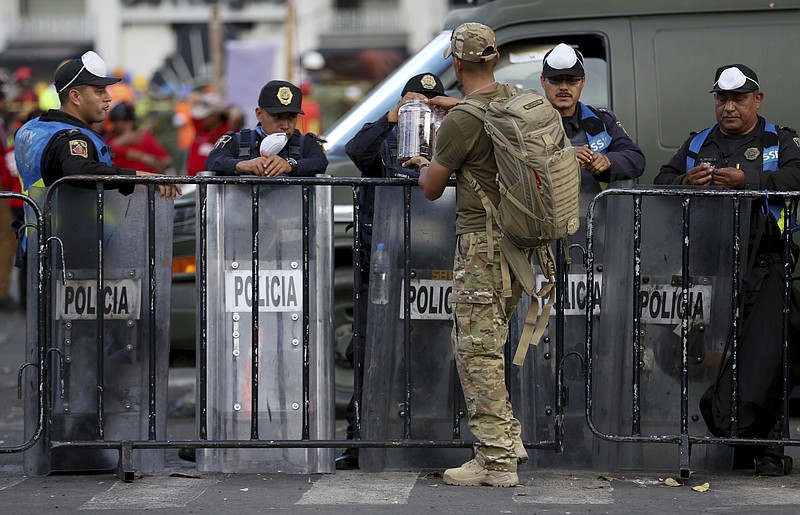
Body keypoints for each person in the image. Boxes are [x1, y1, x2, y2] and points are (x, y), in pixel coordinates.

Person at [655, 64, 800, 476]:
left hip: (764, 267)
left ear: (758, 100)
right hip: (711, 269)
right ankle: (722, 446)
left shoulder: (779, 140)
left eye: (738, 99)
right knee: (710, 360)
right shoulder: (699, 142)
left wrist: (749, 178)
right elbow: (660, 180)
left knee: (767, 358)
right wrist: (686, 181)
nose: (729, 107)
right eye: (722, 99)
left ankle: (768, 450)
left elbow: (798, 173)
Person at [403, 22, 526, 487]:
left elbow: (433, 188)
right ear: (494, 59)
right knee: (492, 345)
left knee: (478, 353)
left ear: (456, 64)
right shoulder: (518, 101)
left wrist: (426, 162)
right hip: (524, 244)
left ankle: (496, 461)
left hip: (482, 247)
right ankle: (507, 441)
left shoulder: (460, 121)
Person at [336, 72, 446, 470]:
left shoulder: (451, 138)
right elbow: (356, 151)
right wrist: (393, 118)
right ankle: (360, 442)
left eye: (433, 103)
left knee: (436, 352)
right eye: (416, 102)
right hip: (383, 261)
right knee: (369, 348)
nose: (424, 110)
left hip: (437, 261)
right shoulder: (383, 134)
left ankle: (433, 437)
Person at [13, 50, 181, 199]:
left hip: (37, 231)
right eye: (99, 91)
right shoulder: (72, 138)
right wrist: (146, 178)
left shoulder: (35, 127)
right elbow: (80, 171)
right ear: (75, 97)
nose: (108, 97)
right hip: (72, 233)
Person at [540, 43, 645, 192]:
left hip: (596, 214)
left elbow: (636, 159)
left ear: (582, 82)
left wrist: (607, 161)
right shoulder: (527, 125)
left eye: (572, 80)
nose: (564, 87)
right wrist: (562, 158)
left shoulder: (602, 121)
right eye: (556, 80)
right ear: (543, 81)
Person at [205, 80, 327, 177]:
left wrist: (291, 165)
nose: (285, 125)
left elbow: (320, 162)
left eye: (291, 117)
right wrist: (242, 165)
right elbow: (213, 161)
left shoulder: (307, 143)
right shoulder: (237, 141)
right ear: (259, 114)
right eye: (277, 117)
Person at [105, 101, 173, 174]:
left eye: (128, 121)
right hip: (120, 182)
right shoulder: (108, 141)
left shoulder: (144, 137)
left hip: (146, 182)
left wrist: (158, 163)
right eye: (121, 121)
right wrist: (120, 142)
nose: (126, 125)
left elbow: (167, 160)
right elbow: (102, 155)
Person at [186, 92, 229, 176]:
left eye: (206, 115)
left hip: (215, 185)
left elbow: (236, 116)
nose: (200, 118)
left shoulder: (227, 134)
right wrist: (204, 100)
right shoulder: (200, 128)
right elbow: (191, 97)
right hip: (192, 183)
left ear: (216, 116)